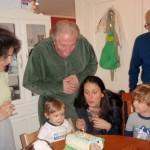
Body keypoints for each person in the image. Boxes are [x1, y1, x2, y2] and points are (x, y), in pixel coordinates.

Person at [23, 20, 98, 126]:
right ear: (53, 40)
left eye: (72, 45)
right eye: (63, 45)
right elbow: (29, 82)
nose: (68, 50)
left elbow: (93, 64)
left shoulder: (83, 43)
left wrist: (79, 77)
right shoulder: (40, 51)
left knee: (81, 141)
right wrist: (60, 86)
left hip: (80, 109)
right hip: (54, 112)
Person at [0, 28, 21, 150]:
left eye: (11, 56)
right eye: (5, 56)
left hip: (4, 124)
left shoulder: (2, 73)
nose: (9, 61)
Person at [129, 9, 150, 91]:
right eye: (148, 24)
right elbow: (134, 68)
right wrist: (132, 89)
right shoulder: (141, 41)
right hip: (148, 93)